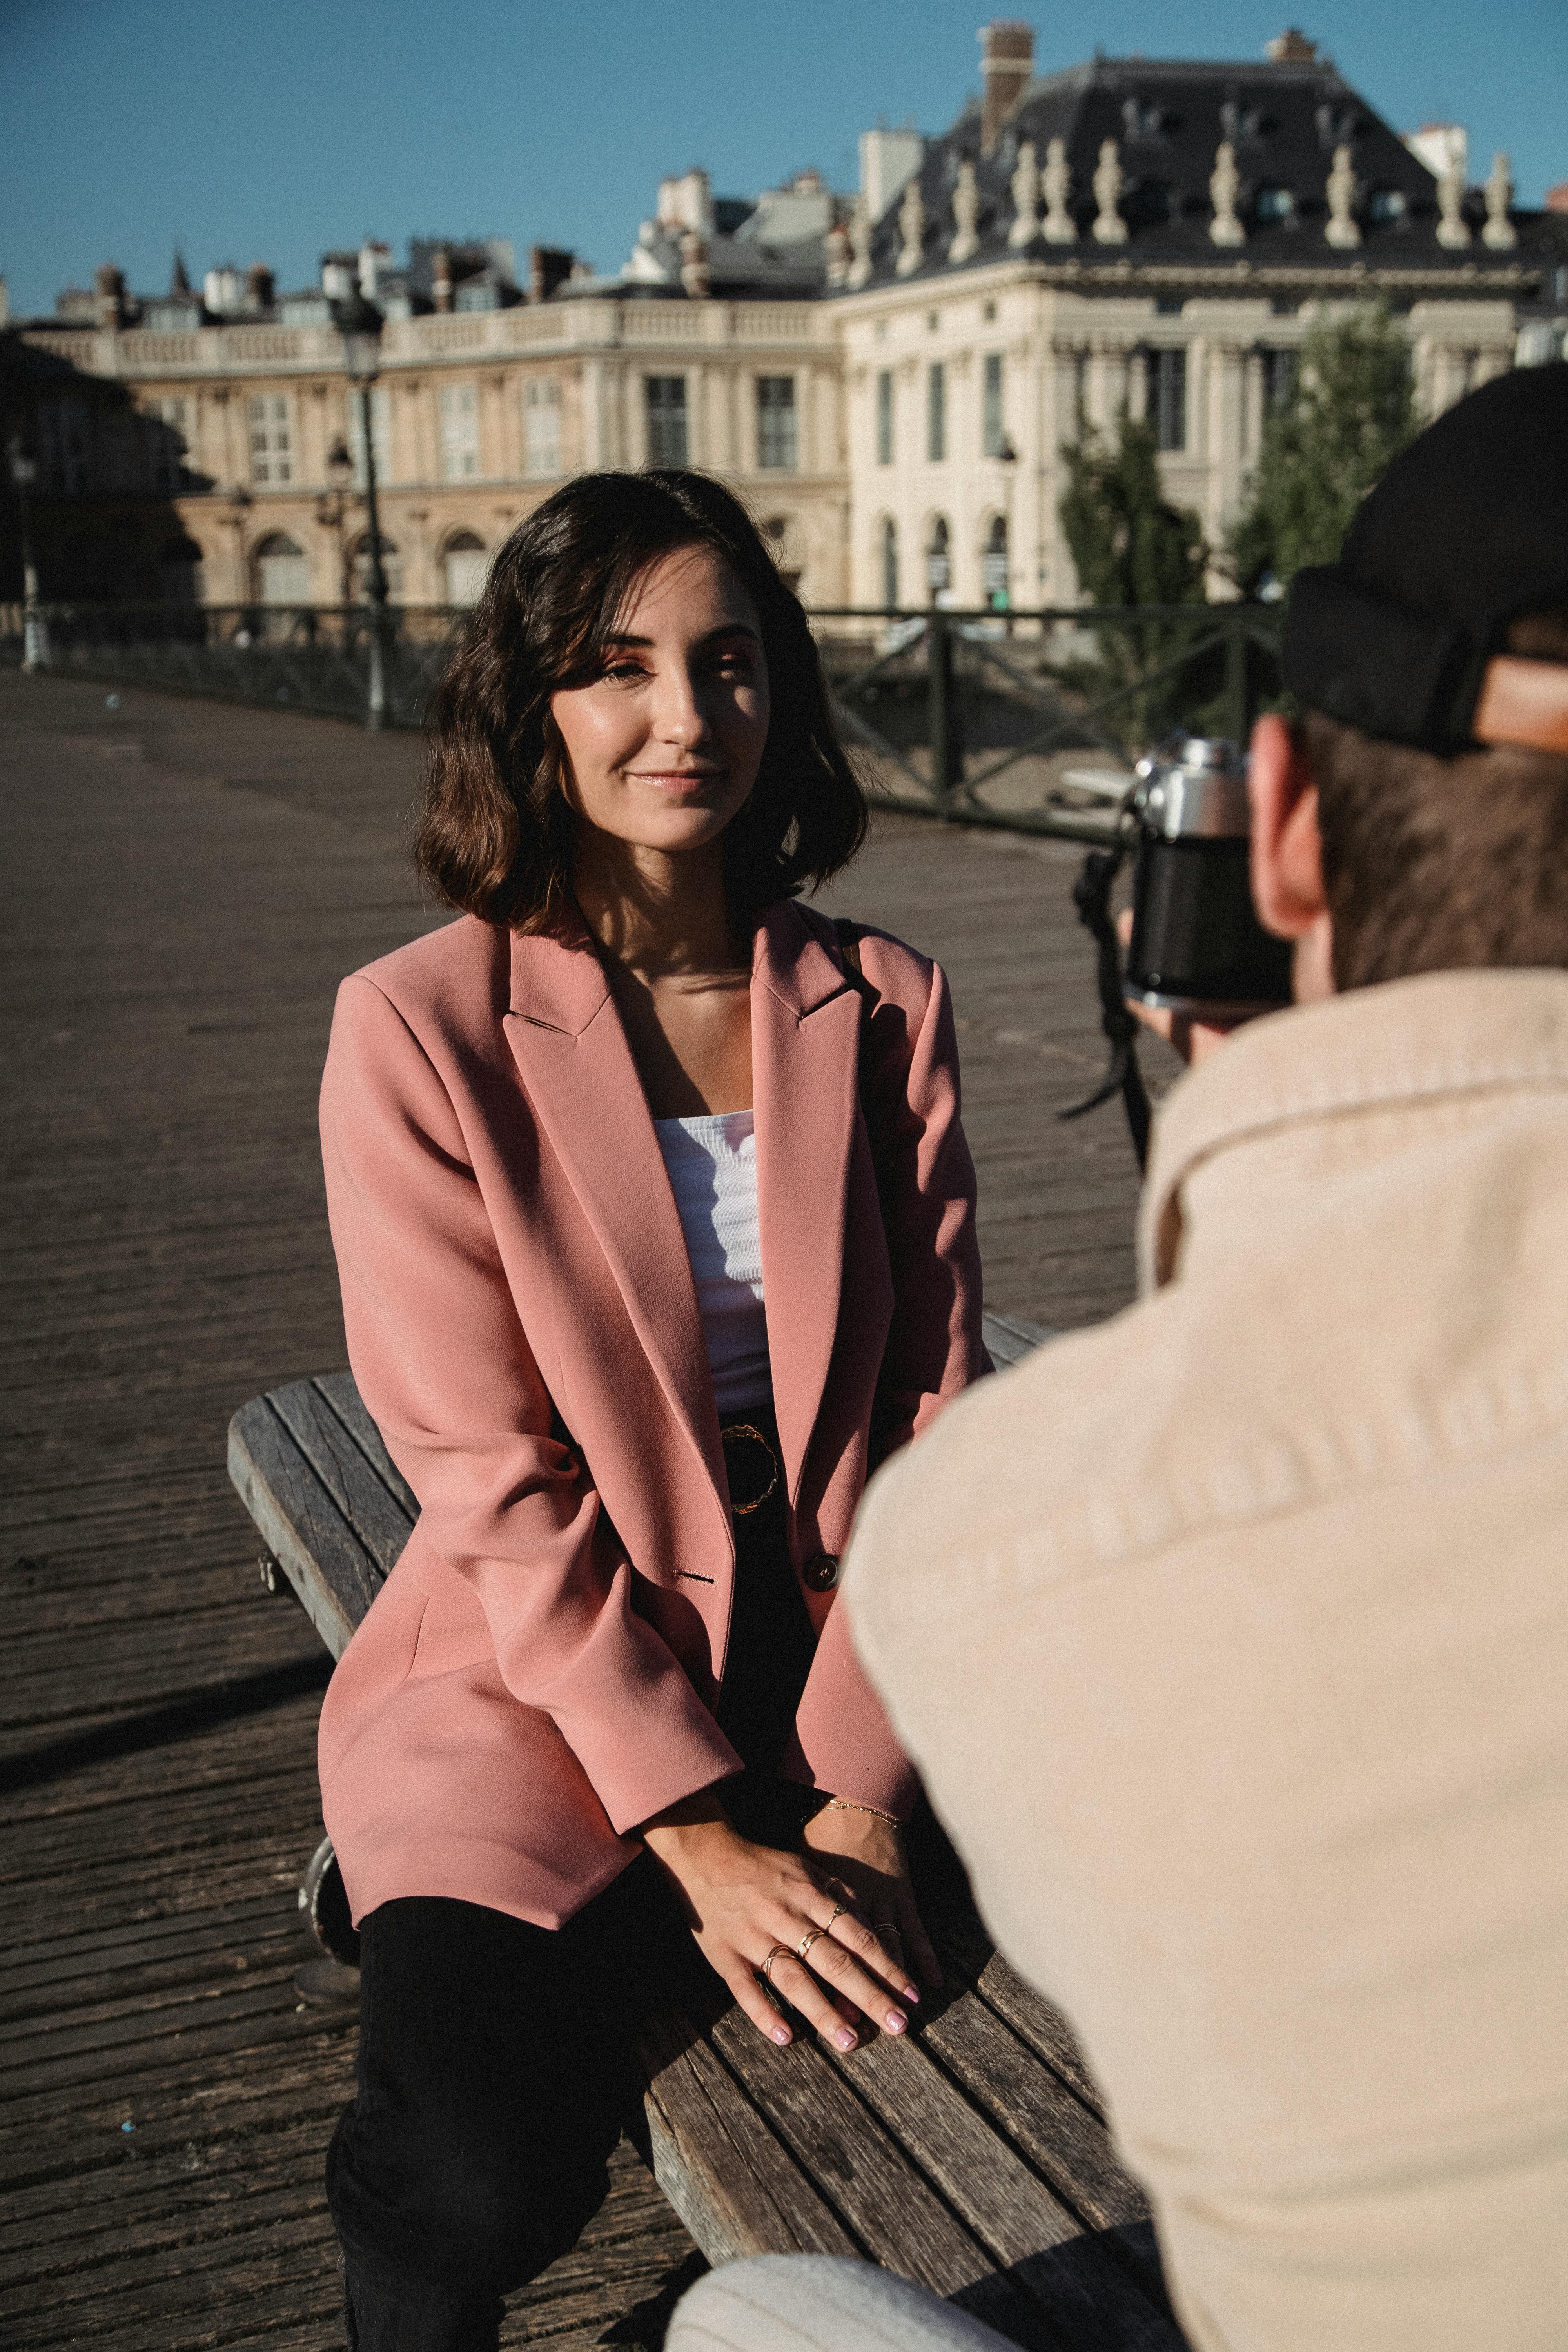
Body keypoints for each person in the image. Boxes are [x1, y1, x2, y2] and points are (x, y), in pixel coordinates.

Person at [675, 362, 1568, 2352]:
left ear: (1282, 850)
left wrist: (1294, 1156)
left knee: (755, 2322)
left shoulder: (1000, 1551)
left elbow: (1303, 1516)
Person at [315, 469, 986, 2352]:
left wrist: (858, 1783)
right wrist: (695, 1832)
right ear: (532, 704)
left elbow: (941, 1402)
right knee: (477, 2168)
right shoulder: (419, 1027)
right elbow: (491, 1479)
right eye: (615, 668)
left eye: (729, 662)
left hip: (847, 1640)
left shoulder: (881, 998)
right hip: (545, 1665)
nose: (684, 718)